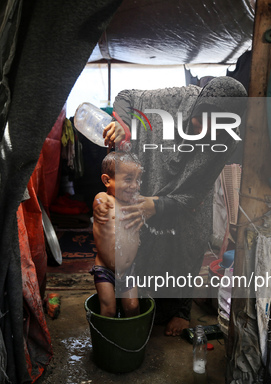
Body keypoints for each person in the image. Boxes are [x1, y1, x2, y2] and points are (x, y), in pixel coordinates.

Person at [95, 76, 247, 335]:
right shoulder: (176, 99)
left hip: (187, 198)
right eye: (200, 121)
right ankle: (144, 299)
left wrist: (159, 205)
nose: (203, 132)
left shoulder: (228, 140)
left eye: (214, 129)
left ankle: (180, 310)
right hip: (147, 180)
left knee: (187, 243)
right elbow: (127, 95)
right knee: (141, 245)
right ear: (197, 106)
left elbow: (198, 191)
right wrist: (119, 123)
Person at [90, 151, 143, 318]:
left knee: (133, 307)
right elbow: (99, 201)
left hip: (128, 269)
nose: (134, 185)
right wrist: (99, 205)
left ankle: (133, 339)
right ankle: (107, 341)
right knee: (108, 309)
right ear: (107, 180)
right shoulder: (105, 200)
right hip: (105, 268)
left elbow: (151, 206)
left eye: (137, 180)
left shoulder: (136, 204)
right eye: (128, 179)